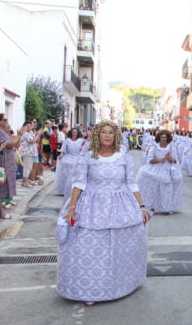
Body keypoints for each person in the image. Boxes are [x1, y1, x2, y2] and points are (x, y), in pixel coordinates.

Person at [58, 121, 149, 306]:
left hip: (120, 205)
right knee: (88, 248)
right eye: (104, 132)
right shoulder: (87, 156)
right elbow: (79, 183)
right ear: (97, 135)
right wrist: (72, 207)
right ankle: (89, 290)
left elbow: (131, 183)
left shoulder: (123, 156)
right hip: (91, 205)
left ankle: (122, 284)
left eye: (111, 132)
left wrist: (141, 207)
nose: (107, 135)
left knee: (119, 246)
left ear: (116, 136)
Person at [136, 130, 182, 214]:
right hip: (156, 168)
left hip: (168, 169)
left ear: (168, 138)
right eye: (161, 137)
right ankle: (153, 205)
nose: (163, 139)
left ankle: (167, 207)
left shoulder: (171, 146)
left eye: (165, 137)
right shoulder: (154, 146)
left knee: (167, 186)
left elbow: (176, 160)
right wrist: (160, 160)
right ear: (159, 138)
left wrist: (169, 159)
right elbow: (149, 160)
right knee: (153, 184)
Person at [0, 118, 22, 215]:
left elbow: (15, 145)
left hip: (8, 163)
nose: (7, 122)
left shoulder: (4, 133)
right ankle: (1, 211)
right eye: (4, 120)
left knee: (4, 186)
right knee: (0, 186)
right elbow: (11, 144)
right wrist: (20, 134)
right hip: (2, 163)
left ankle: (1, 209)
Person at [55, 127, 86, 196]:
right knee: (64, 164)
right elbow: (63, 150)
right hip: (69, 156)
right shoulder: (67, 140)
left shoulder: (81, 140)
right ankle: (64, 189)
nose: (74, 133)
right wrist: (61, 154)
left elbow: (84, 149)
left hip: (78, 157)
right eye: (73, 132)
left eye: (75, 132)